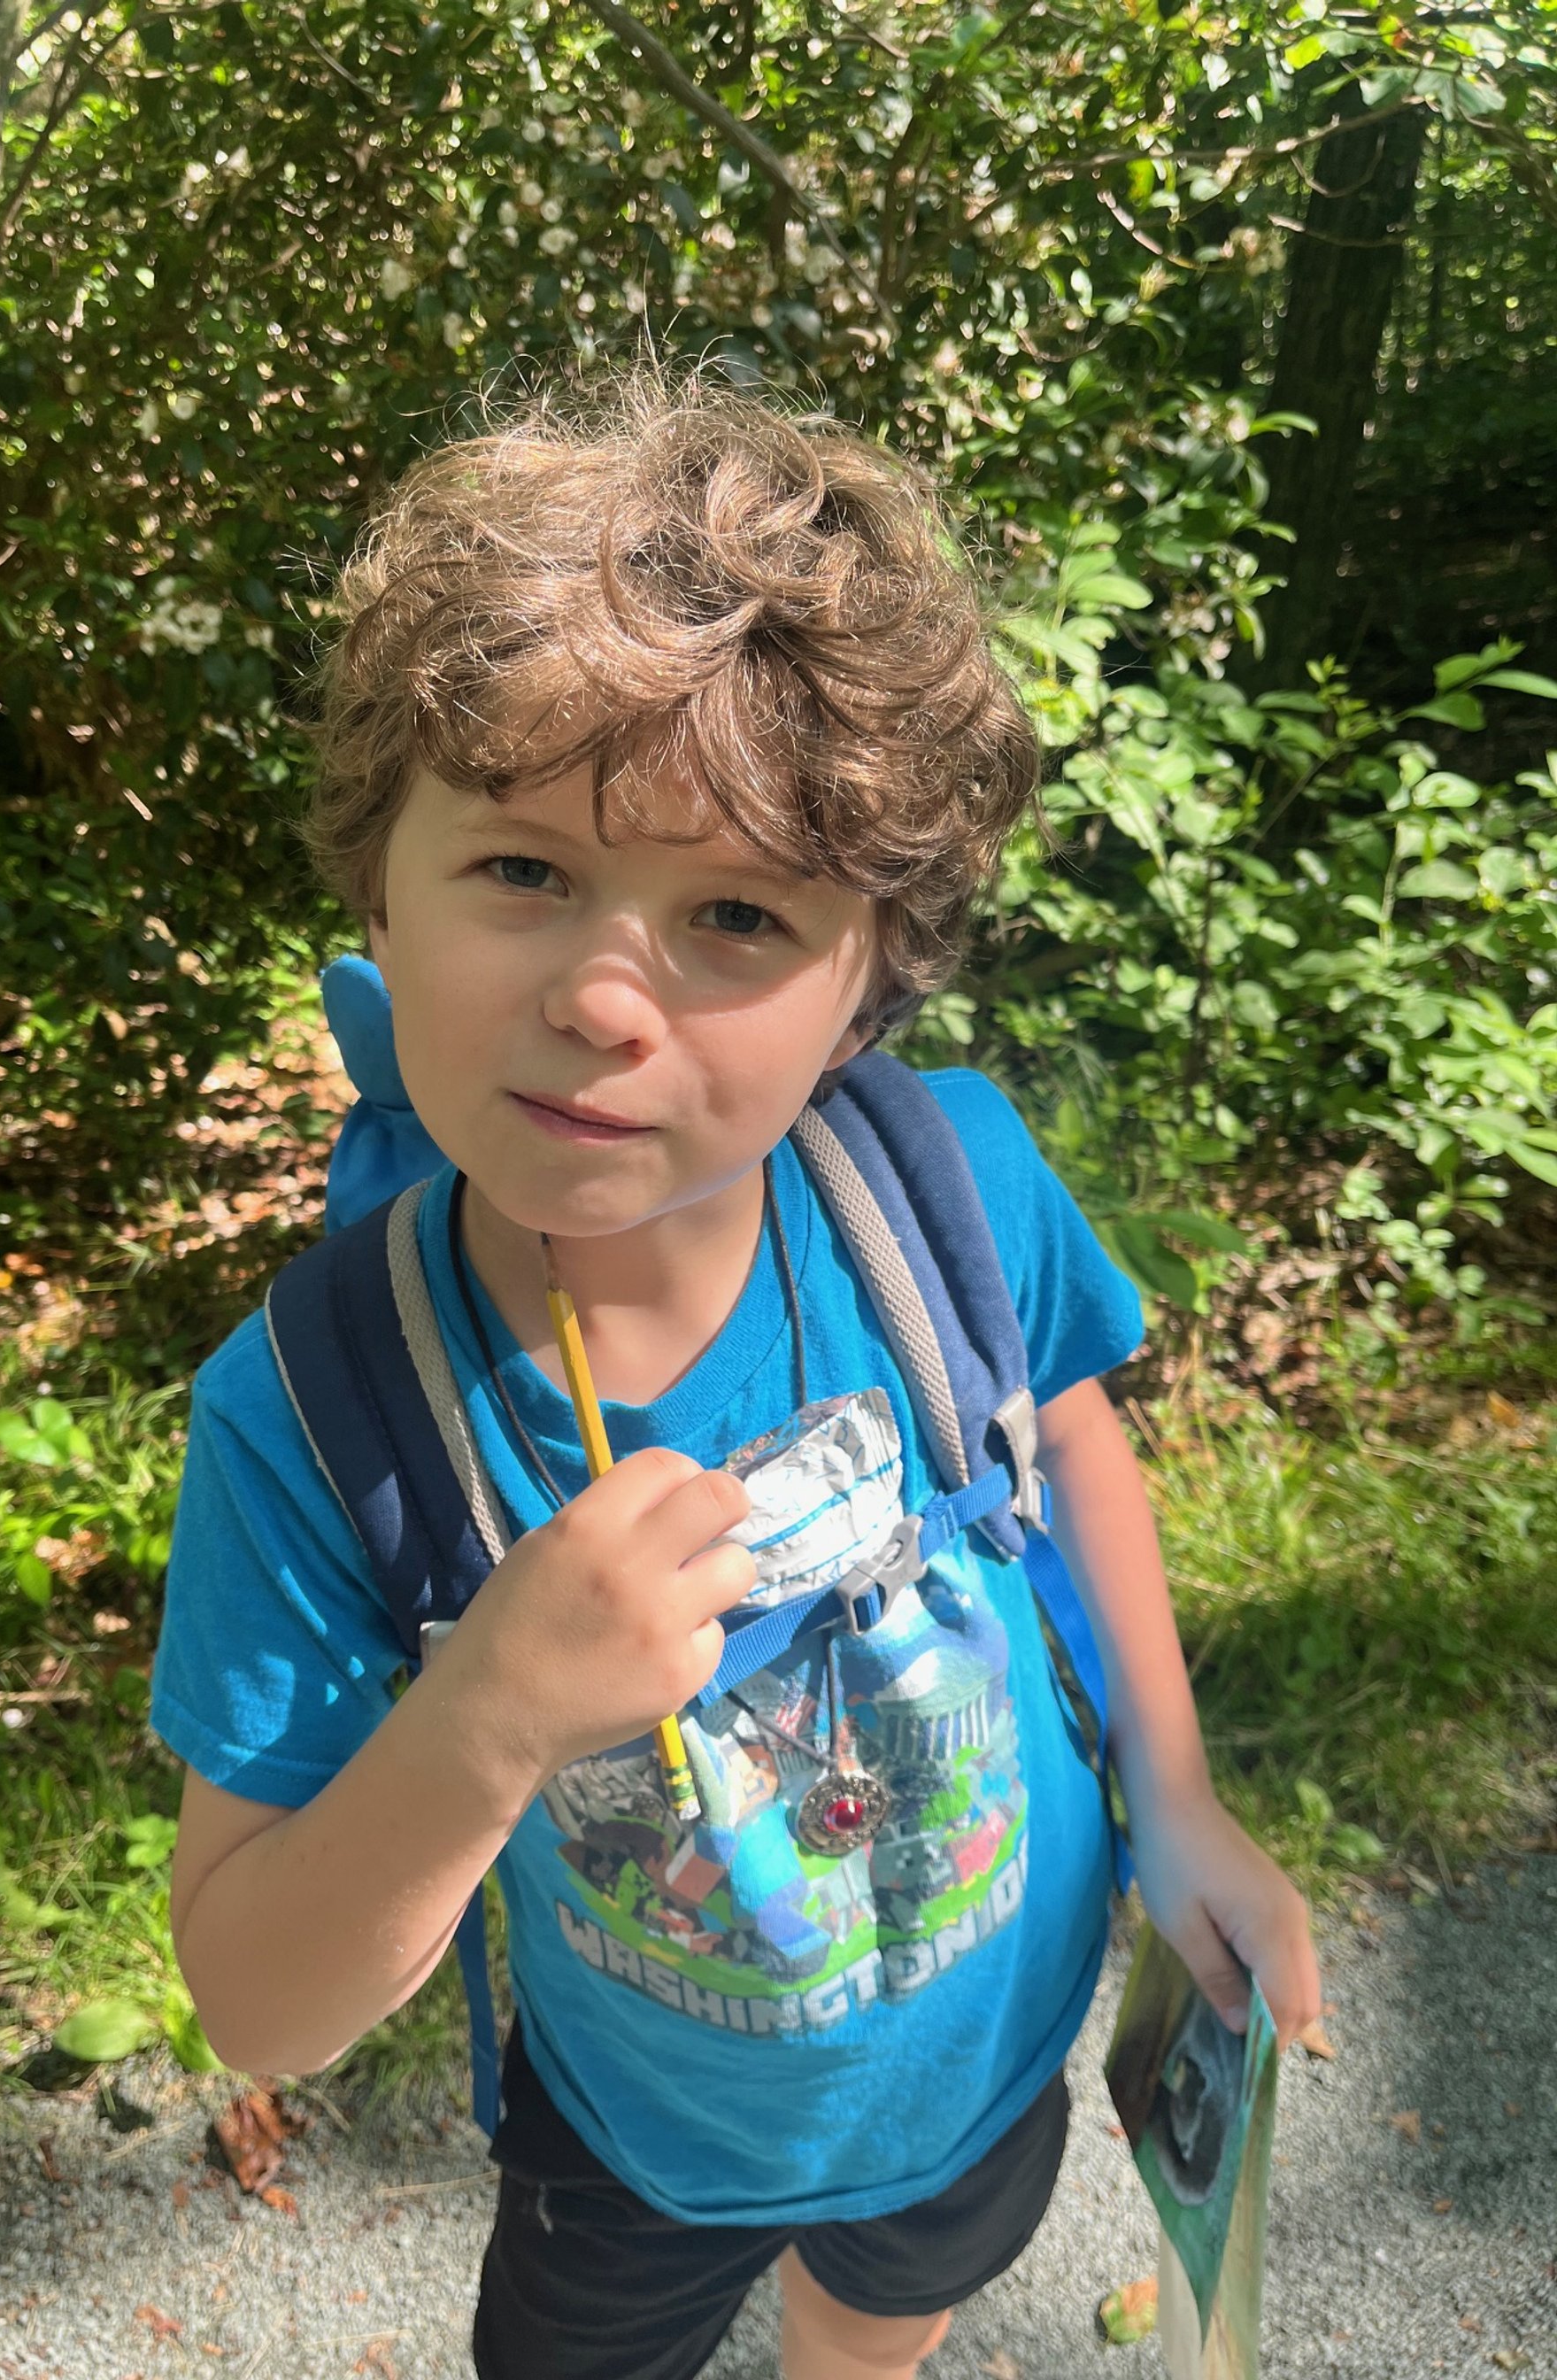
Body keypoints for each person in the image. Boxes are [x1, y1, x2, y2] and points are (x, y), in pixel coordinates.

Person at [152, 370, 1320, 2380]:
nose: (607, 994)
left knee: (885, 2319)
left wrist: (1180, 1799)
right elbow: (257, 2007)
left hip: (989, 2053)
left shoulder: (947, 1192)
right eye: (522, 870)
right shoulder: (322, 1408)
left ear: (873, 972)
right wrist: (489, 1712)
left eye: (736, 916)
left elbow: (1062, 1429)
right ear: (379, 885)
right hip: (637, 2154)